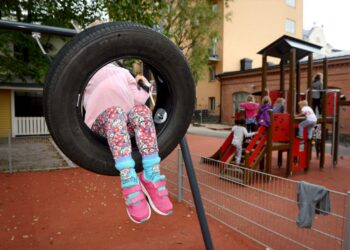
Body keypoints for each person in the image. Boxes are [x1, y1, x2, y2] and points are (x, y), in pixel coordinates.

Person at [83, 63, 172, 224]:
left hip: (126, 125)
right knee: (115, 112)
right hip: (100, 124)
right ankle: (128, 179)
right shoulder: (86, 70)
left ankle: (151, 174)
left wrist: (143, 84)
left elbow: (140, 100)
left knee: (143, 111)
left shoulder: (124, 73)